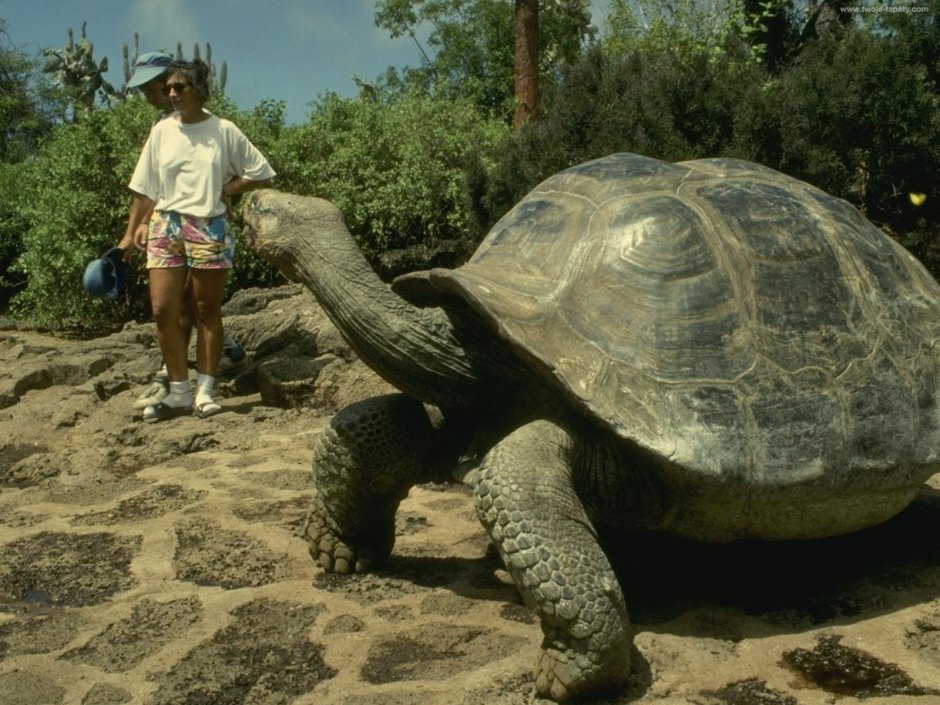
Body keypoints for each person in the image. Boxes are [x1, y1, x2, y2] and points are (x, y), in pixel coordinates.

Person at [118, 59, 275, 421]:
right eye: (168, 88)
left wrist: (225, 188)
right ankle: (178, 392)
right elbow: (145, 188)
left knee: (206, 310)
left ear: (199, 89)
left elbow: (260, 170)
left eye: (179, 87)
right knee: (162, 311)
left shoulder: (224, 130)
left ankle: (205, 390)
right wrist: (130, 234)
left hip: (208, 225)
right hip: (166, 225)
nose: (171, 94)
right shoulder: (162, 131)